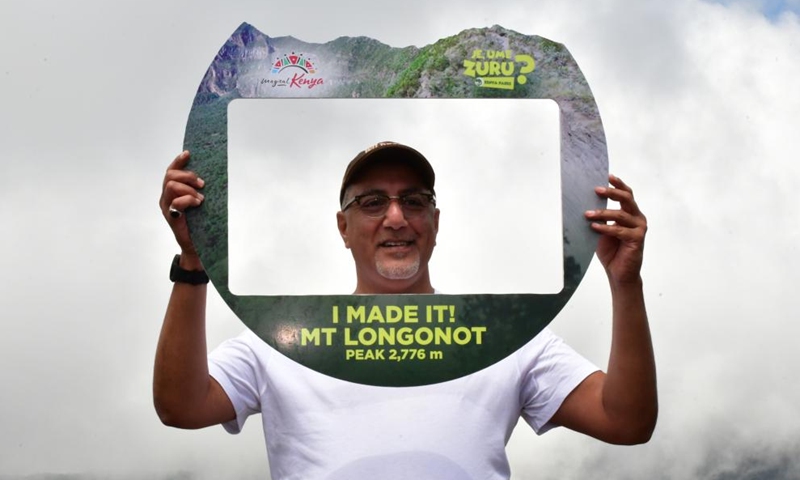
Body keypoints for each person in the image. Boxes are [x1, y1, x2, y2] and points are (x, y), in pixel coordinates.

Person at [154, 142, 657, 480]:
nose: (396, 217)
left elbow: (626, 421)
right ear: (343, 227)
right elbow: (182, 406)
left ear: (434, 221)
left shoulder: (500, 334)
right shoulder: (282, 337)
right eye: (372, 203)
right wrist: (193, 262)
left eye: (413, 202)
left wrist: (625, 284)